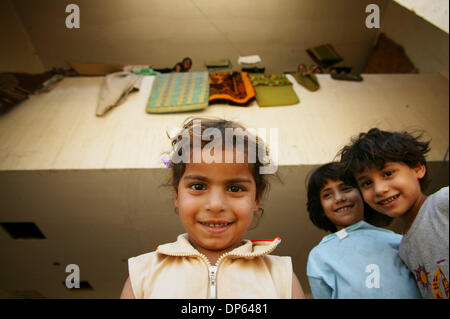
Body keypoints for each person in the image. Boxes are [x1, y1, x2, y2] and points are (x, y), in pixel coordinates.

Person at [120, 117, 304, 299]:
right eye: (198, 187)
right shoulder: (142, 274)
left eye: (235, 189)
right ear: (177, 194)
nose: (216, 205)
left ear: (256, 198)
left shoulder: (282, 277)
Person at [339, 128, 449, 299]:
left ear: (418, 168)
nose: (380, 189)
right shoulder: (405, 248)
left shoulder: (443, 203)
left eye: (388, 173)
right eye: (367, 183)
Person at [306, 162, 422, 298]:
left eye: (346, 188)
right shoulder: (320, 255)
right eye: (327, 195)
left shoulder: (400, 241)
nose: (339, 198)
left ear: (363, 193)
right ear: (321, 209)